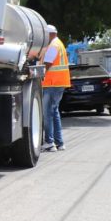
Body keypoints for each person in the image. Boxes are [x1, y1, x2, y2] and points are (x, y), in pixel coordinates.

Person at [41, 23, 71, 152]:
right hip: (60, 83)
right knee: (54, 112)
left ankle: (49, 142)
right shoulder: (59, 44)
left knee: (47, 113)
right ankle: (60, 143)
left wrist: (39, 75)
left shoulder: (53, 46)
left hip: (51, 83)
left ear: (50, 34)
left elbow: (48, 63)